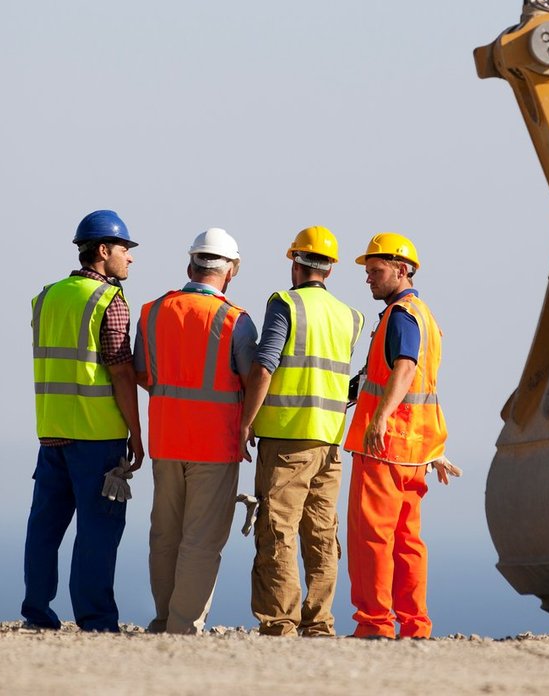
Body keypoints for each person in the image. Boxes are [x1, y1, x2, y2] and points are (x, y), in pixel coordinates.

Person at [21, 209, 144, 633]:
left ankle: (37, 613)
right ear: (104, 250)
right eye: (125, 249)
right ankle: (95, 621)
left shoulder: (48, 295)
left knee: (44, 527)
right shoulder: (108, 301)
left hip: (51, 430)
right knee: (99, 532)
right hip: (97, 435)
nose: (130, 258)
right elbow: (120, 368)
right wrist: (137, 432)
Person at [239, 225, 365, 637]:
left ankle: (280, 623)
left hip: (287, 438)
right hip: (329, 442)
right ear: (329, 269)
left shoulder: (285, 305)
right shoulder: (351, 316)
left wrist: (245, 421)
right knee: (321, 533)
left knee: (278, 529)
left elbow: (265, 365)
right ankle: (319, 623)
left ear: (296, 262)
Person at [133, 227, 259, 635]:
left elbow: (143, 373)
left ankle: (163, 618)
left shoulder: (152, 311)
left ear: (191, 263)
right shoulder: (236, 321)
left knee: (165, 534)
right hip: (215, 446)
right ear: (232, 270)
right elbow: (251, 379)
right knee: (200, 541)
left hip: (166, 440)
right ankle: (184, 627)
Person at [342, 232, 457, 640]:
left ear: (402, 270)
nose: (368, 278)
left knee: (371, 538)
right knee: (408, 542)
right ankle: (415, 625)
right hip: (413, 452)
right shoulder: (424, 314)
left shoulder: (401, 315)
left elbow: (405, 369)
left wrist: (379, 420)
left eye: (376, 271)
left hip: (384, 448)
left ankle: (374, 624)